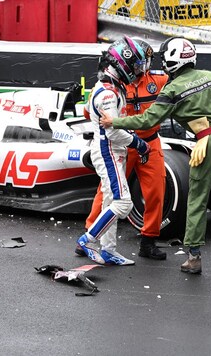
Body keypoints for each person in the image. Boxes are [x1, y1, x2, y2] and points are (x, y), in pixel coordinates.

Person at [99, 37, 211, 274]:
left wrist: (115, 121)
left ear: (172, 62)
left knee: (197, 198)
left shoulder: (172, 89)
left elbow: (147, 120)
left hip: (206, 141)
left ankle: (193, 257)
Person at [78, 37, 169, 261]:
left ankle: (148, 240)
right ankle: (90, 235)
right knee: (108, 193)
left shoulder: (158, 80)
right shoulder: (110, 87)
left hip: (150, 141)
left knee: (157, 191)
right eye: (138, 64)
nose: (142, 69)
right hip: (122, 143)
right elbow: (90, 115)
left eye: (144, 64)